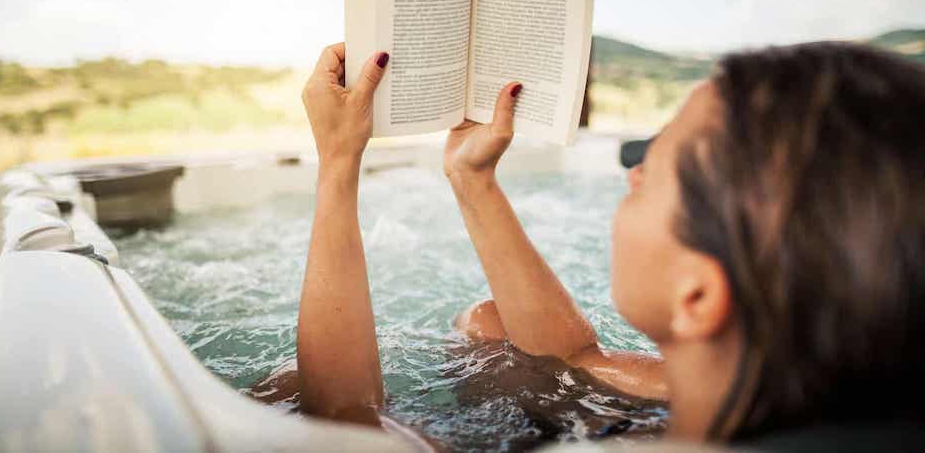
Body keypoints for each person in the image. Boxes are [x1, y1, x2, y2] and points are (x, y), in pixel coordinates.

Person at [253, 40, 925, 450]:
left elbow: (344, 423)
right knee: (491, 325)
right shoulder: (755, 386)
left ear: (697, 294)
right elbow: (577, 357)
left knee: (280, 392)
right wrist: (473, 178)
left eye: (657, 165)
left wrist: (339, 163)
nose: (633, 172)